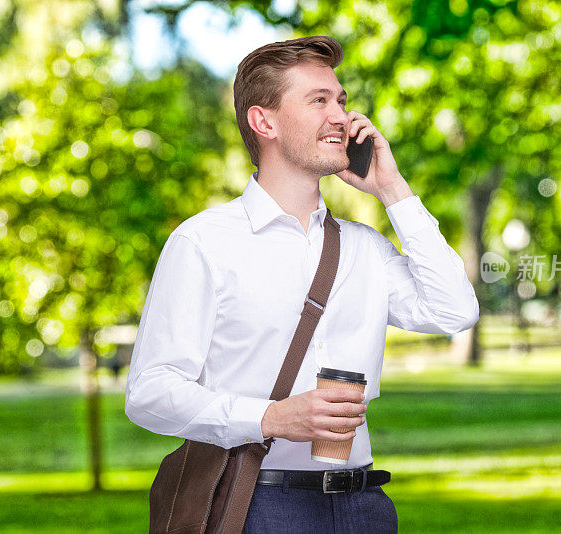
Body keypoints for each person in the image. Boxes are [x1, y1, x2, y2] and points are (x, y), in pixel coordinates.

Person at [124, 35, 479, 533]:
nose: (340, 116)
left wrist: (393, 190)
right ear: (263, 121)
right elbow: (149, 392)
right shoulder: (204, 242)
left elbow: (454, 310)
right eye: (318, 100)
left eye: (341, 101)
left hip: (364, 507)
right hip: (257, 505)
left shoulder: (363, 247)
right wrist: (269, 419)